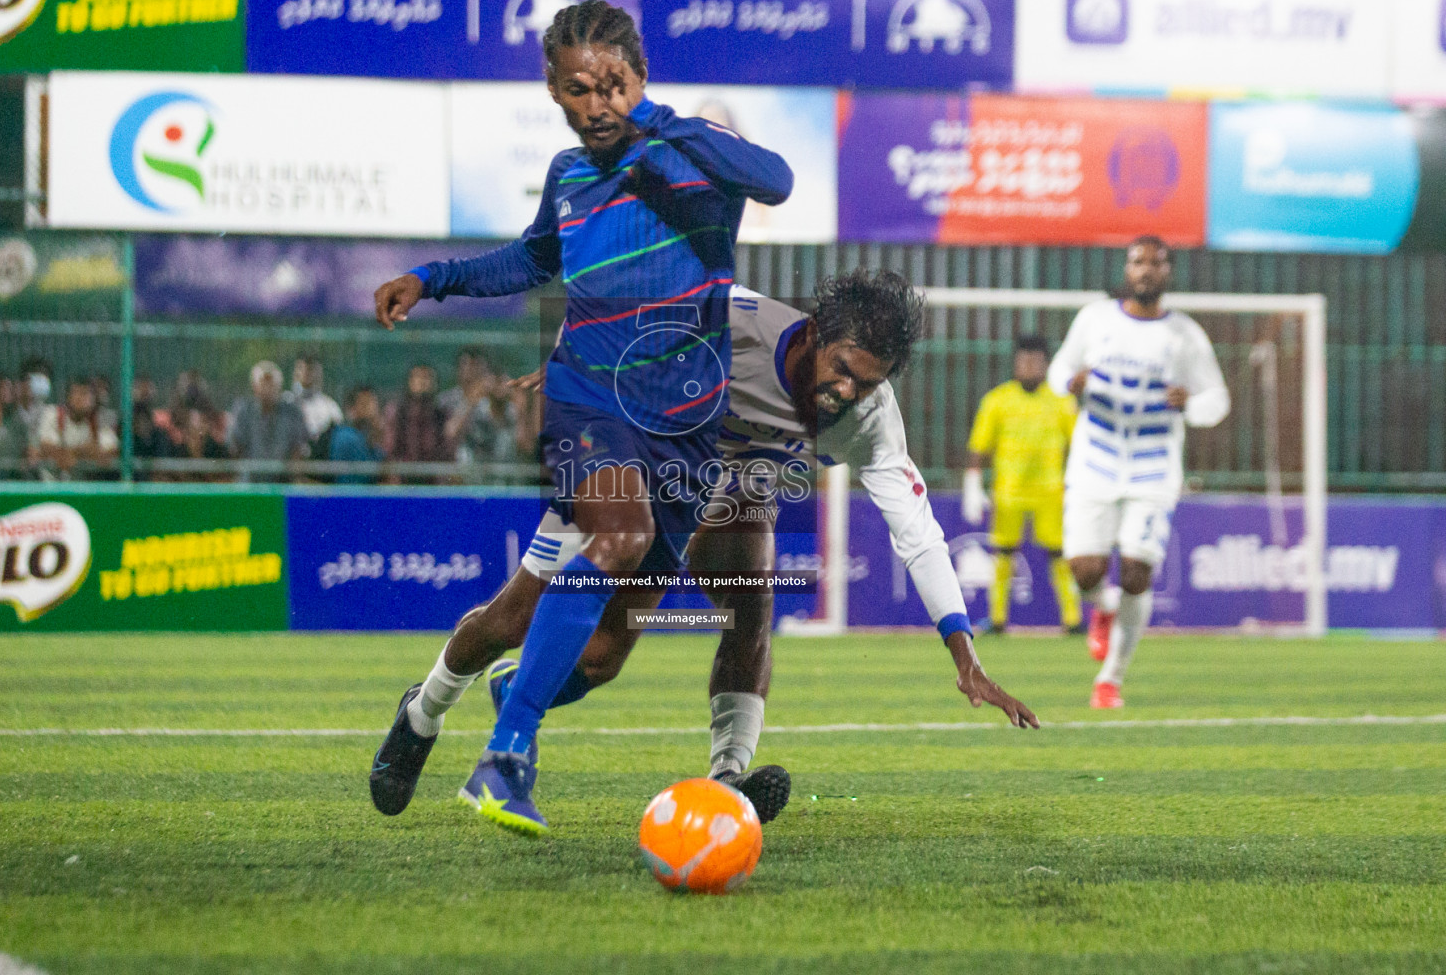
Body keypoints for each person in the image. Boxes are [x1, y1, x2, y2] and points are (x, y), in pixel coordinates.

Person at [369, 275, 1037, 827]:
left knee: (663, 635)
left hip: (719, 493)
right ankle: (425, 709)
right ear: (814, 333)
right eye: (843, 372)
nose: (847, 393)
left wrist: (965, 655)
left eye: (868, 383)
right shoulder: (729, 322)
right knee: (512, 618)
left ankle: (728, 780)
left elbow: (916, 530)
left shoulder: (867, 416)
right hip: (627, 455)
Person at [371, 0, 792, 835]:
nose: (595, 104)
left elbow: (776, 180)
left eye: (612, 85)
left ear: (640, 80)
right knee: (617, 536)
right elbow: (532, 259)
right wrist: (434, 277)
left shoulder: (696, 159)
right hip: (587, 399)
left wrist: (656, 118)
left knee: (601, 655)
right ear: (554, 94)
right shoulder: (568, 175)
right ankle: (506, 754)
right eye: (576, 90)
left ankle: (430, 708)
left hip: (685, 425)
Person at [1047, 235, 1229, 709]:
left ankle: (1111, 679)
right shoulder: (1096, 319)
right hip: (1094, 461)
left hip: (1153, 468)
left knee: (1135, 572)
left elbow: (1217, 399)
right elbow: (1059, 368)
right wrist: (1070, 381)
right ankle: (1103, 611)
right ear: (1127, 269)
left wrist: (1191, 403)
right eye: (1138, 262)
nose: (1146, 270)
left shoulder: (1184, 335)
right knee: (1085, 571)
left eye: (1156, 263)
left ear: (1168, 272)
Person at [963, 335, 1082, 636]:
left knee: (1059, 553)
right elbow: (979, 445)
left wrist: (1080, 484)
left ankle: (1073, 619)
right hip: (1008, 492)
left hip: (1051, 492)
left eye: (1035, 361)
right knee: (1003, 552)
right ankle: (998, 619)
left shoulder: (1062, 402)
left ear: (1045, 365)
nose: (1029, 367)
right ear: (1015, 364)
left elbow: (1080, 444)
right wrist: (973, 482)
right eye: (1024, 360)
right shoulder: (997, 400)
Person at [228, 361, 307, 481]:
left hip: (283, 481)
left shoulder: (293, 412)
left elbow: (298, 449)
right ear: (254, 386)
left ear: (279, 385)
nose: (267, 388)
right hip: (250, 481)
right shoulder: (244, 410)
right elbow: (236, 446)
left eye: (272, 383)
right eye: (263, 383)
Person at [36, 378, 120, 480]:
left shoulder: (98, 420)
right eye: (78, 394)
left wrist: (72, 454)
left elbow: (110, 452)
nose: (83, 400)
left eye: (87, 395)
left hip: (83, 487)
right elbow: (46, 448)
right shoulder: (53, 414)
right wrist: (87, 451)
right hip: (51, 485)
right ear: (68, 397)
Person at [386, 364, 451, 482]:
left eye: (427, 378)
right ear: (409, 382)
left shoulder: (441, 415)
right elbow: (391, 452)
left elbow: (446, 451)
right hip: (403, 478)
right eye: (418, 377)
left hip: (433, 480)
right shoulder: (397, 413)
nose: (423, 382)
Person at [328, 385, 385, 485]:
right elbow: (365, 475)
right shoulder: (346, 436)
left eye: (374, 405)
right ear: (351, 409)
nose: (372, 411)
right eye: (365, 405)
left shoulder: (370, 436)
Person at [291, 355, 343, 448]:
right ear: (295, 372)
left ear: (320, 373)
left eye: (311, 369)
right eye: (301, 368)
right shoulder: (285, 401)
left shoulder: (330, 407)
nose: (306, 373)